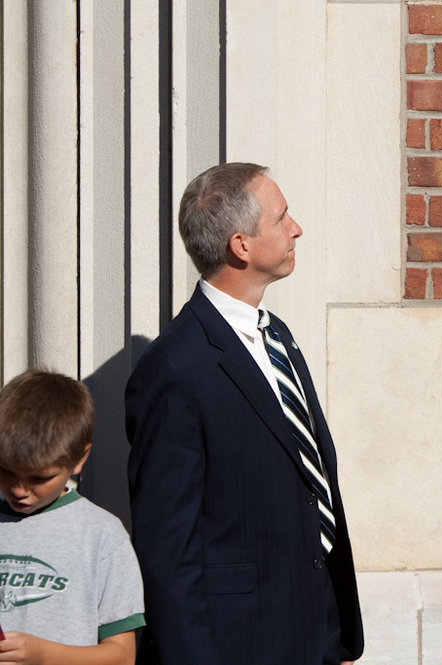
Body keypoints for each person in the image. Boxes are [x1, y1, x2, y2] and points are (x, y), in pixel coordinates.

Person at [125, 163, 363, 665]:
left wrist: (333, 634)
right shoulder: (174, 367)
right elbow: (169, 551)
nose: (296, 228)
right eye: (281, 219)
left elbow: (308, 487)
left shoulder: (275, 335)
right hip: (241, 644)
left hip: (312, 633)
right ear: (242, 245)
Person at [0, 369, 145, 664]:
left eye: (39, 478)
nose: (19, 489)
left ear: (79, 458)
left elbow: (122, 655)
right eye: (5, 470)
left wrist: (43, 654)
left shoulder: (103, 536)